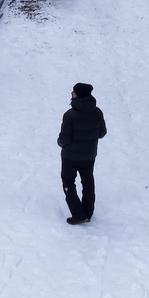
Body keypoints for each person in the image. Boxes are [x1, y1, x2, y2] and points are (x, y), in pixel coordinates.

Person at [58, 83, 107, 225]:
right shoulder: (97, 112)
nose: (71, 93)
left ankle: (78, 214)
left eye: (74, 91)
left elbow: (64, 138)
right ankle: (88, 212)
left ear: (78, 94)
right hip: (89, 155)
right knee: (88, 182)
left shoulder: (69, 115)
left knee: (68, 182)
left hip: (70, 157)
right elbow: (102, 133)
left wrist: (60, 143)